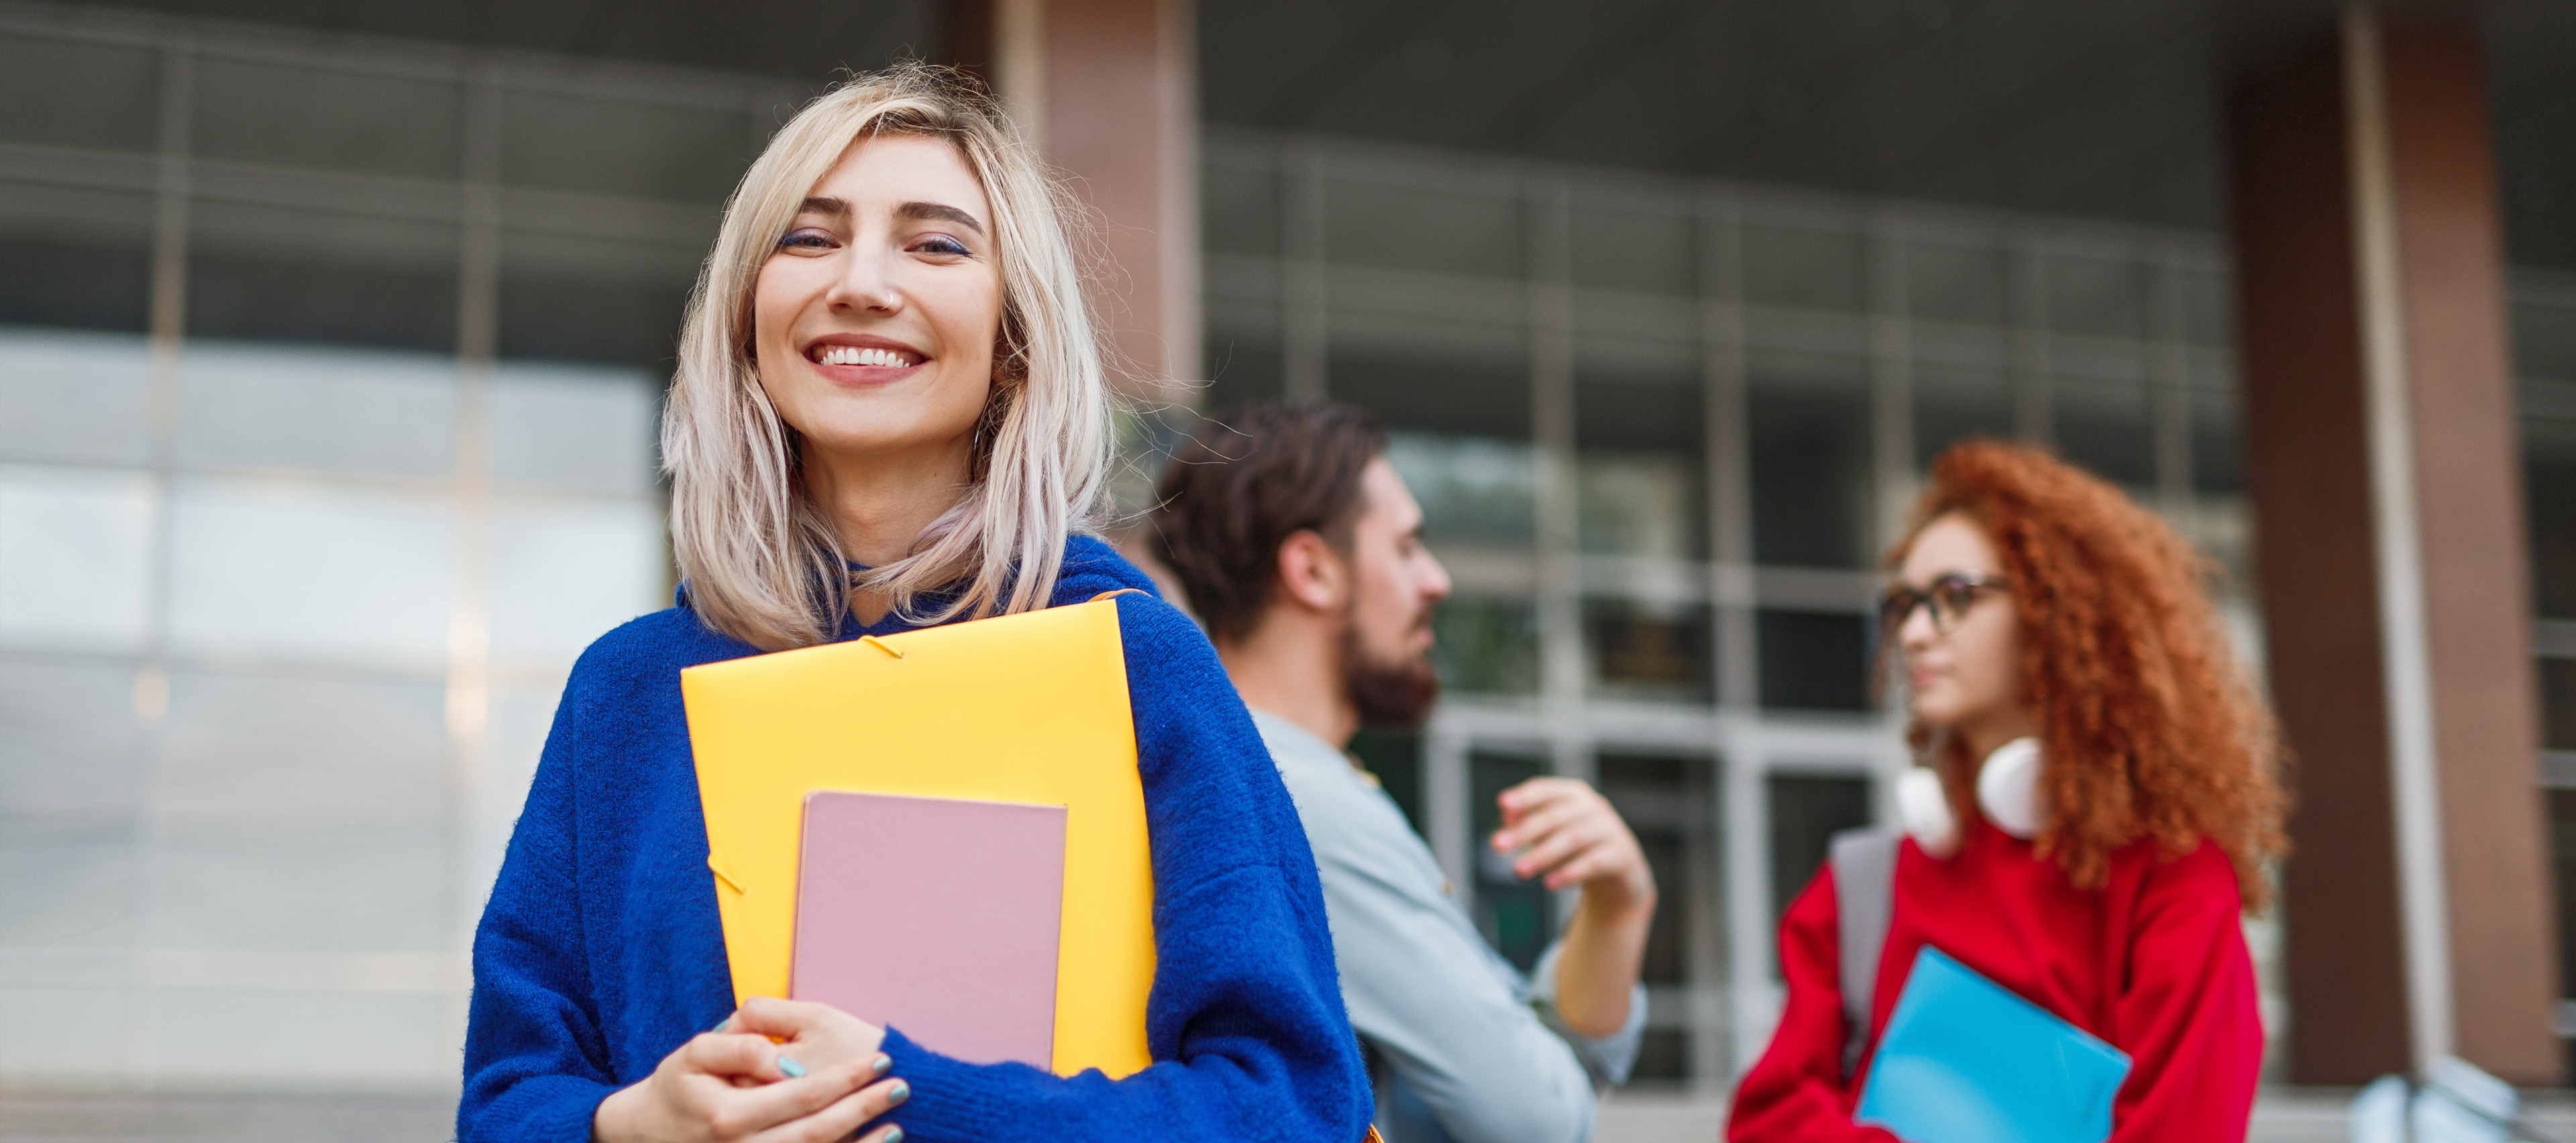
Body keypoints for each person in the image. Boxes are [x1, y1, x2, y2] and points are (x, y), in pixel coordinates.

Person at [458, 66, 1370, 1143]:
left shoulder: (1134, 666)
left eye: (935, 245)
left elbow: (1293, 1108)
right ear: (748, 313)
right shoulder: (628, 694)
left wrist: (914, 1093)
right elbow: (507, 1103)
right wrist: (626, 1126)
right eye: (809, 238)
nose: (861, 283)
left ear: (1012, 336)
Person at [1726, 439, 2289, 1140]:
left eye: (1955, 597)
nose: (1916, 634)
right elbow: (1767, 1118)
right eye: (1905, 605)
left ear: (2057, 609)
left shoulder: (2173, 878)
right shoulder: (1862, 888)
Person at [1150, 402, 1654, 1143]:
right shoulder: (1299, 796)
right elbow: (1536, 1116)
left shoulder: (1239, 771)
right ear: (1313, 570)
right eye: (1409, 548)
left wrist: (1616, 906)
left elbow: (1522, 1051)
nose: (1438, 581)